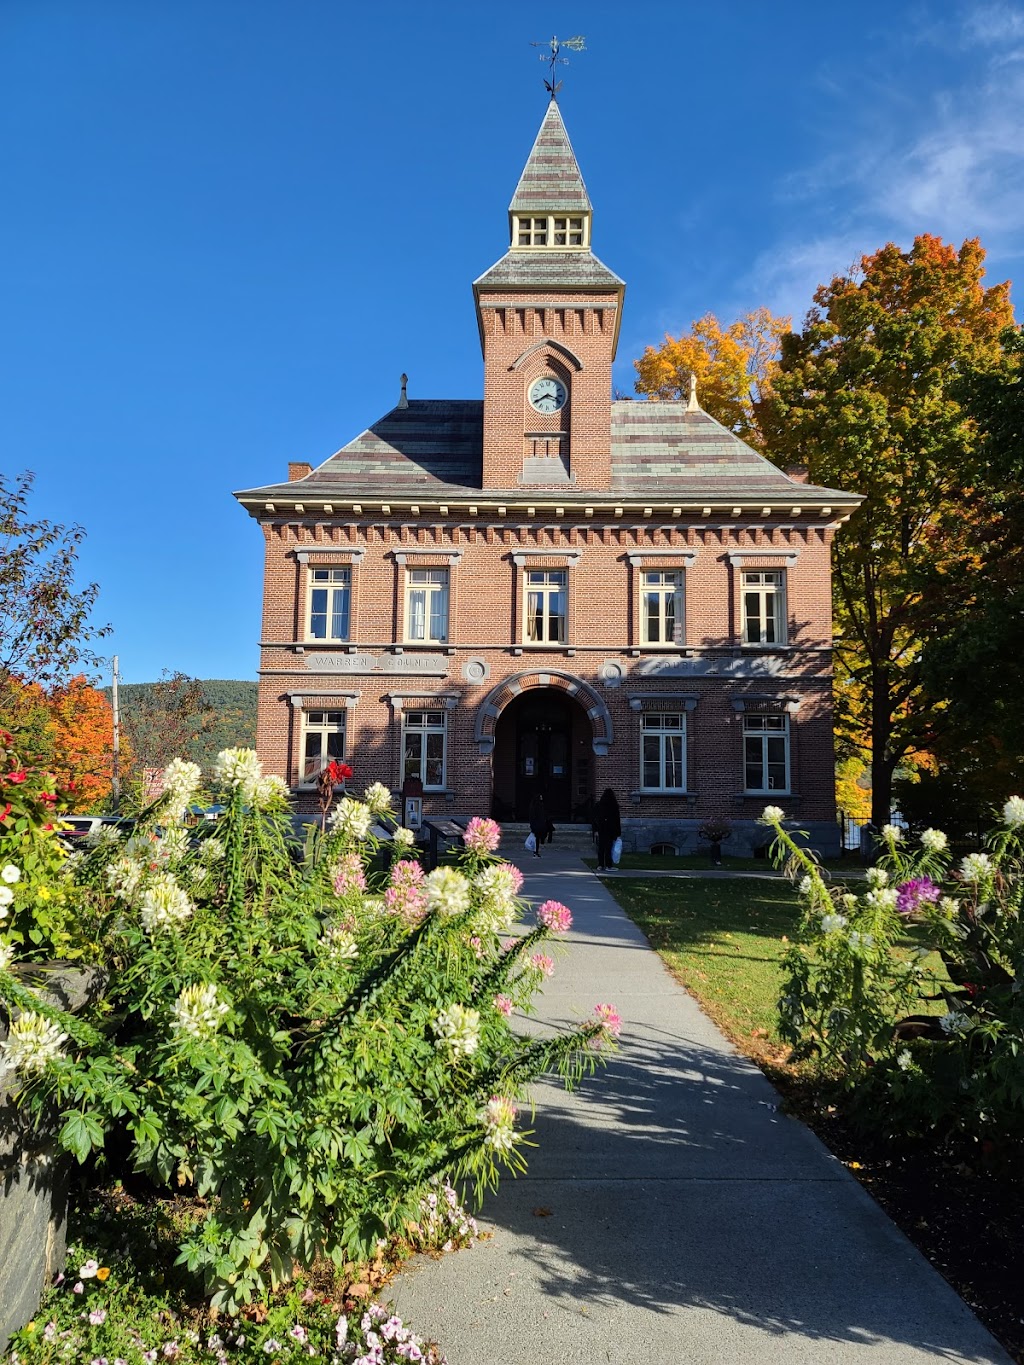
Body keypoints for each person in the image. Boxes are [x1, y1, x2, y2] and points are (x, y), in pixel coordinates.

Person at [594, 787, 621, 871]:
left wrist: (595, 830)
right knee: (609, 848)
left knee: (601, 848)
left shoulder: (599, 805)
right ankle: (609, 865)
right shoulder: (614, 806)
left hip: (601, 829)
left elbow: (595, 818)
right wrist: (618, 833)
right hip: (611, 830)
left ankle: (600, 865)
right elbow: (617, 820)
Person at [528, 792, 547, 859]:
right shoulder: (536, 806)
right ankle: (535, 852)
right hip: (537, 825)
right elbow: (533, 816)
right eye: (540, 797)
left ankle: (536, 851)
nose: (541, 798)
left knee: (537, 839)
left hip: (539, 825)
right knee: (536, 839)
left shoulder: (539, 805)